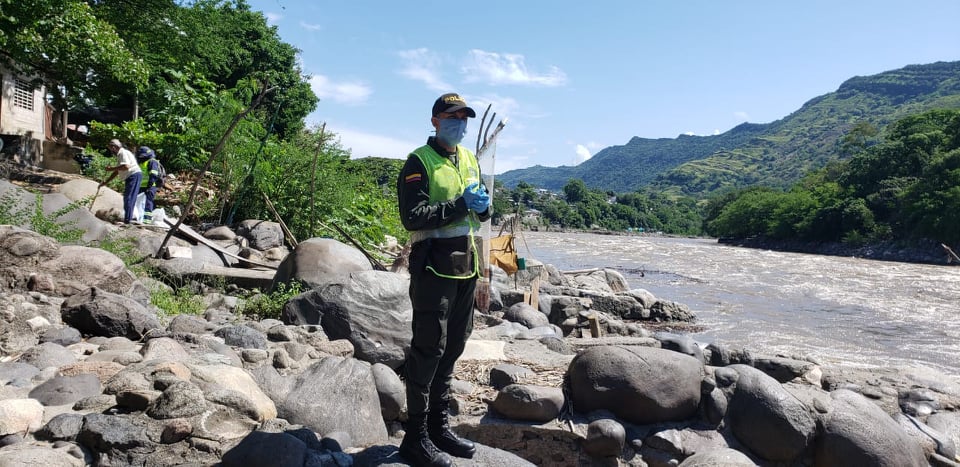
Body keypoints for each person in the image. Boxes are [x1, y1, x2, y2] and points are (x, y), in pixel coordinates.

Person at [395, 92, 491, 467]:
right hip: (433, 265)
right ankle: (415, 438)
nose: (459, 124)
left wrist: (484, 206)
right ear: (435, 121)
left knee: (453, 346)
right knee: (429, 348)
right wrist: (461, 204)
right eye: (452, 117)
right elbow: (413, 216)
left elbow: (480, 214)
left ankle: (438, 428)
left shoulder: (469, 159)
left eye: (464, 118)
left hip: (466, 264)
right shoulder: (419, 161)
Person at [100, 139, 142, 224]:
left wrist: (111, 169)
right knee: (128, 197)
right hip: (131, 176)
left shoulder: (122, 153)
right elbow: (117, 171)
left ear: (114, 147)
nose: (111, 151)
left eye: (111, 149)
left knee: (129, 198)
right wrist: (106, 182)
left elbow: (126, 166)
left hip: (133, 175)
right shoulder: (120, 155)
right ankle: (128, 219)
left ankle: (128, 220)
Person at [136, 146, 161, 223]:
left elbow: (153, 175)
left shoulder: (152, 162)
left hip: (150, 187)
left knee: (148, 203)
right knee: (140, 202)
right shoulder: (142, 162)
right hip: (141, 186)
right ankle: (138, 218)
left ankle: (146, 221)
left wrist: (149, 186)